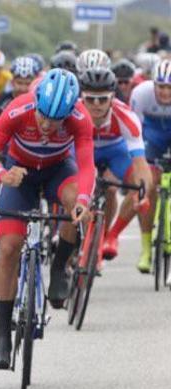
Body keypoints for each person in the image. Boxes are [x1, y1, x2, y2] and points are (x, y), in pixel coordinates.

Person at [0, 69, 95, 369]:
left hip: (58, 170)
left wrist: (82, 201)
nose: (46, 124)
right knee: (9, 248)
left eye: (56, 121)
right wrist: (3, 174)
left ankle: (58, 269)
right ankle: (3, 336)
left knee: (73, 204)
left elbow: (86, 167)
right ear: (36, 101)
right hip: (20, 174)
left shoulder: (80, 119)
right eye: (43, 116)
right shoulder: (18, 108)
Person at [77, 68, 153, 265]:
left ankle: (111, 235)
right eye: (90, 99)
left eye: (102, 99)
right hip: (84, 149)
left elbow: (140, 164)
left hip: (115, 151)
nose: (96, 104)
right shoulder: (73, 112)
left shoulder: (126, 116)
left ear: (112, 98)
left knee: (133, 187)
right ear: (81, 97)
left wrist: (143, 193)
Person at [129, 59, 171, 273]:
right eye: (161, 86)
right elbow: (133, 131)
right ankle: (146, 249)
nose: (164, 92)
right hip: (150, 138)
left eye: (169, 88)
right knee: (149, 186)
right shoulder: (140, 93)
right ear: (153, 84)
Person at [0, 56, 39, 124]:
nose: (23, 88)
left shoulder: (40, 102)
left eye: (28, 84)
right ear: (12, 82)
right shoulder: (1, 102)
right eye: (19, 83)